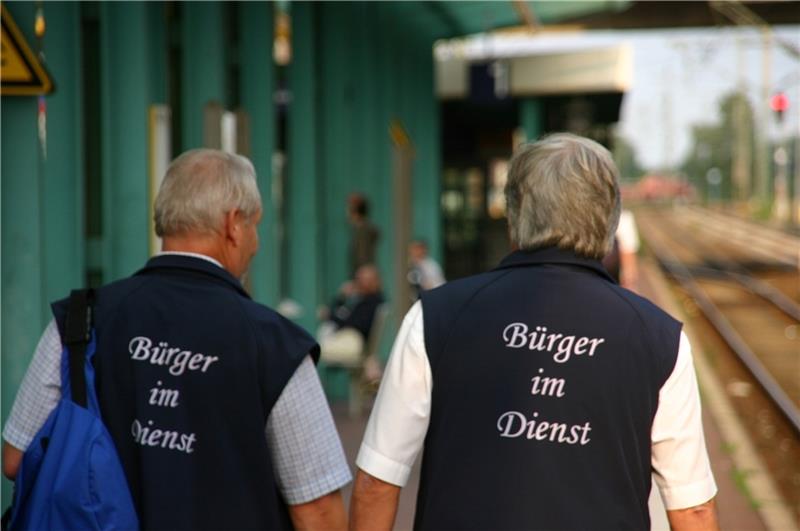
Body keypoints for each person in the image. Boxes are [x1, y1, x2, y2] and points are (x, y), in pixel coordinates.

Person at [350, 133, 719, 531]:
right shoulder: (659, 338)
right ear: (610, 222)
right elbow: (692, 508)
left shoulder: (435, 318)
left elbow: (376, 482)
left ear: (514, 214)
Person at [2, 149, 350, 530]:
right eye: (256, 226)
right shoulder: (274, 345)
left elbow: (15, 458)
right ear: (233, 224)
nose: (256, 242)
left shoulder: (79, 321)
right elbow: (317, 511)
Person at [318, 264, 385, 371]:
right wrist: (342, 297)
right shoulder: (363, 300)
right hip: (349, 339)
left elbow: (354, 324)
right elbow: (344, 315)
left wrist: (331, 316)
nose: (358, 283)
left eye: (362, 280)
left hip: (354, 342)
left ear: (374, 281)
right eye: (358, 279)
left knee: (316, 351)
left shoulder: (372, 302)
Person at [347, 193, 380, 276]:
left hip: (363, 278)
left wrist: (358, 280)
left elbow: (363, 259)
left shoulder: (363, 231)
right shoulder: (362, 229)